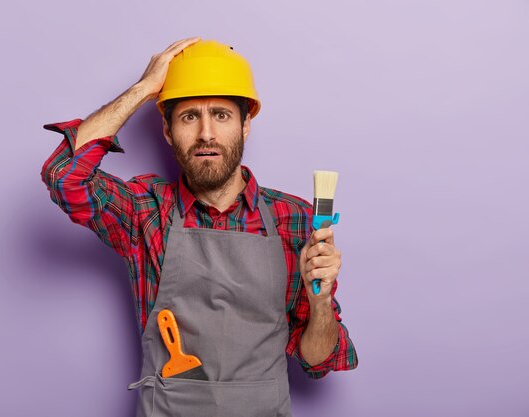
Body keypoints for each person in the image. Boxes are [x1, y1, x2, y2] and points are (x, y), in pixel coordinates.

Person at [41, 37, 357, 417]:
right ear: (167, 131)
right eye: (190, 116)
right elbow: (64, 177)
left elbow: (317, 362)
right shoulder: (146, 211)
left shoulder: (296, 219)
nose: (206, 133)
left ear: (245, 125)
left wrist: (319, 300)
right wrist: (143, 90)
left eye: (221, 115)